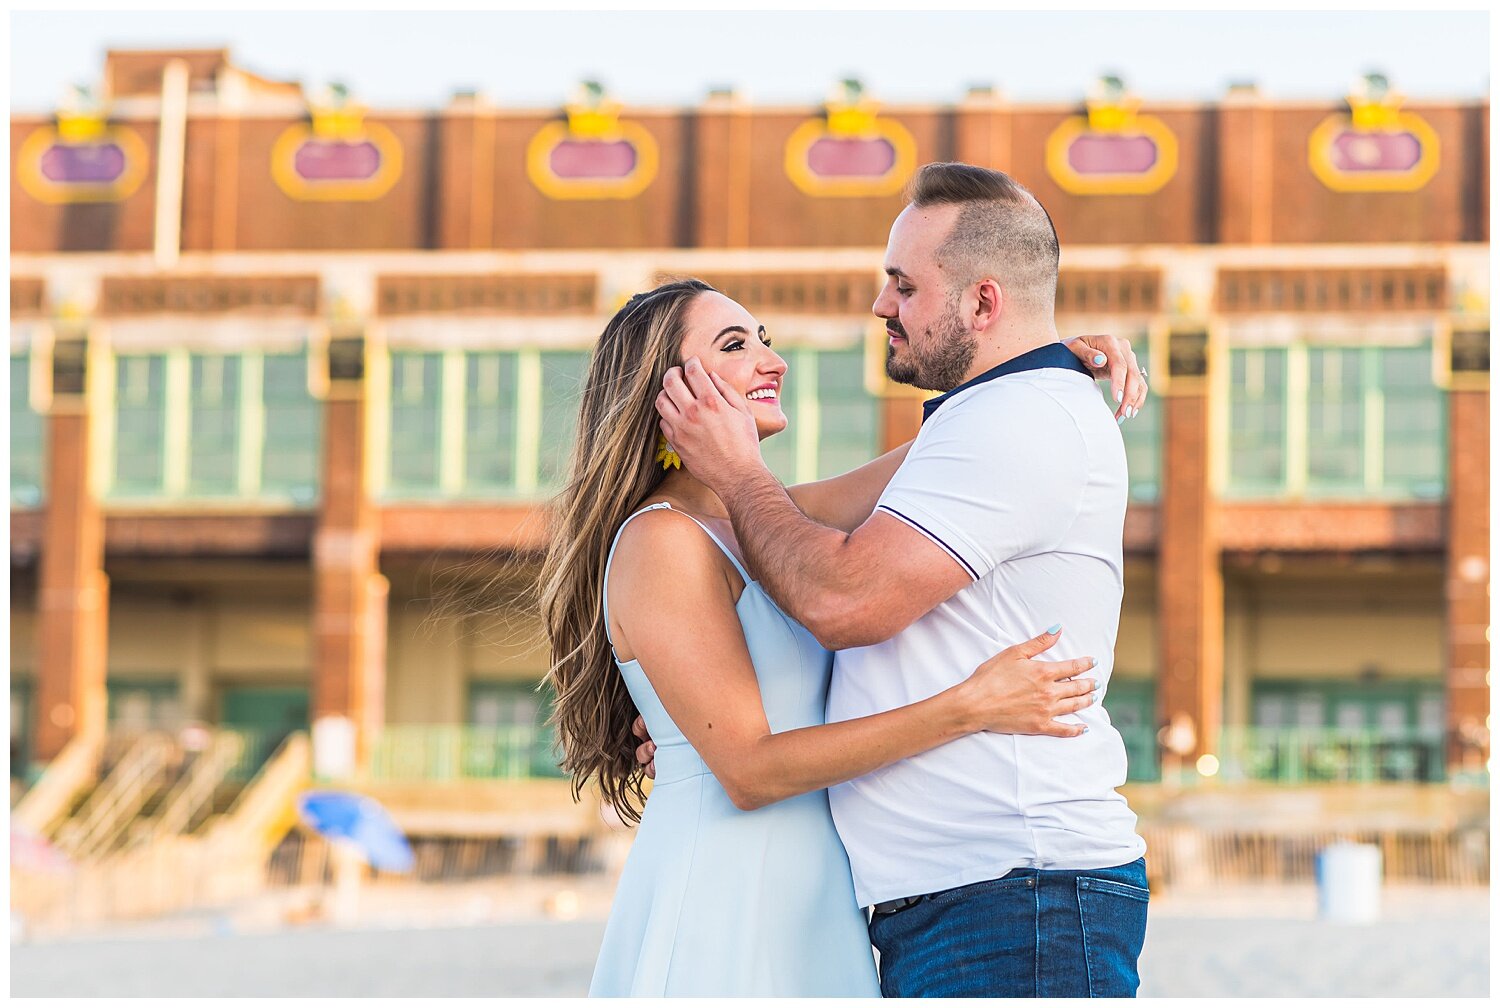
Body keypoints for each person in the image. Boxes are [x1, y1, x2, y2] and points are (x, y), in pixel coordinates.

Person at [538, 276, 1146, 997]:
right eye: (736, 344)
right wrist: (971, 705)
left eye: (765, 338)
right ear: (664, 393)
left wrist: (1044, 369)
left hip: (819, 897)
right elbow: (751, 770)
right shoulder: (660, 543)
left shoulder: (764, 522)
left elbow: (957, 450)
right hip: (732, 890)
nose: (774, 360)